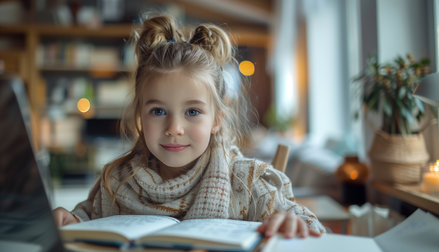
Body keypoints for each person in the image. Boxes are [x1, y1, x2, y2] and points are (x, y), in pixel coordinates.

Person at [53, 15, 326, 239]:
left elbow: (311, 227)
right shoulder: (115, 181)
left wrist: (293, 224)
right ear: (140, 116)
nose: (174, 128)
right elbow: (84, 220)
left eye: (193, 112)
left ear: (217, 118)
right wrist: (70, 219)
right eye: (158, 111)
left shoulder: (248, 184)